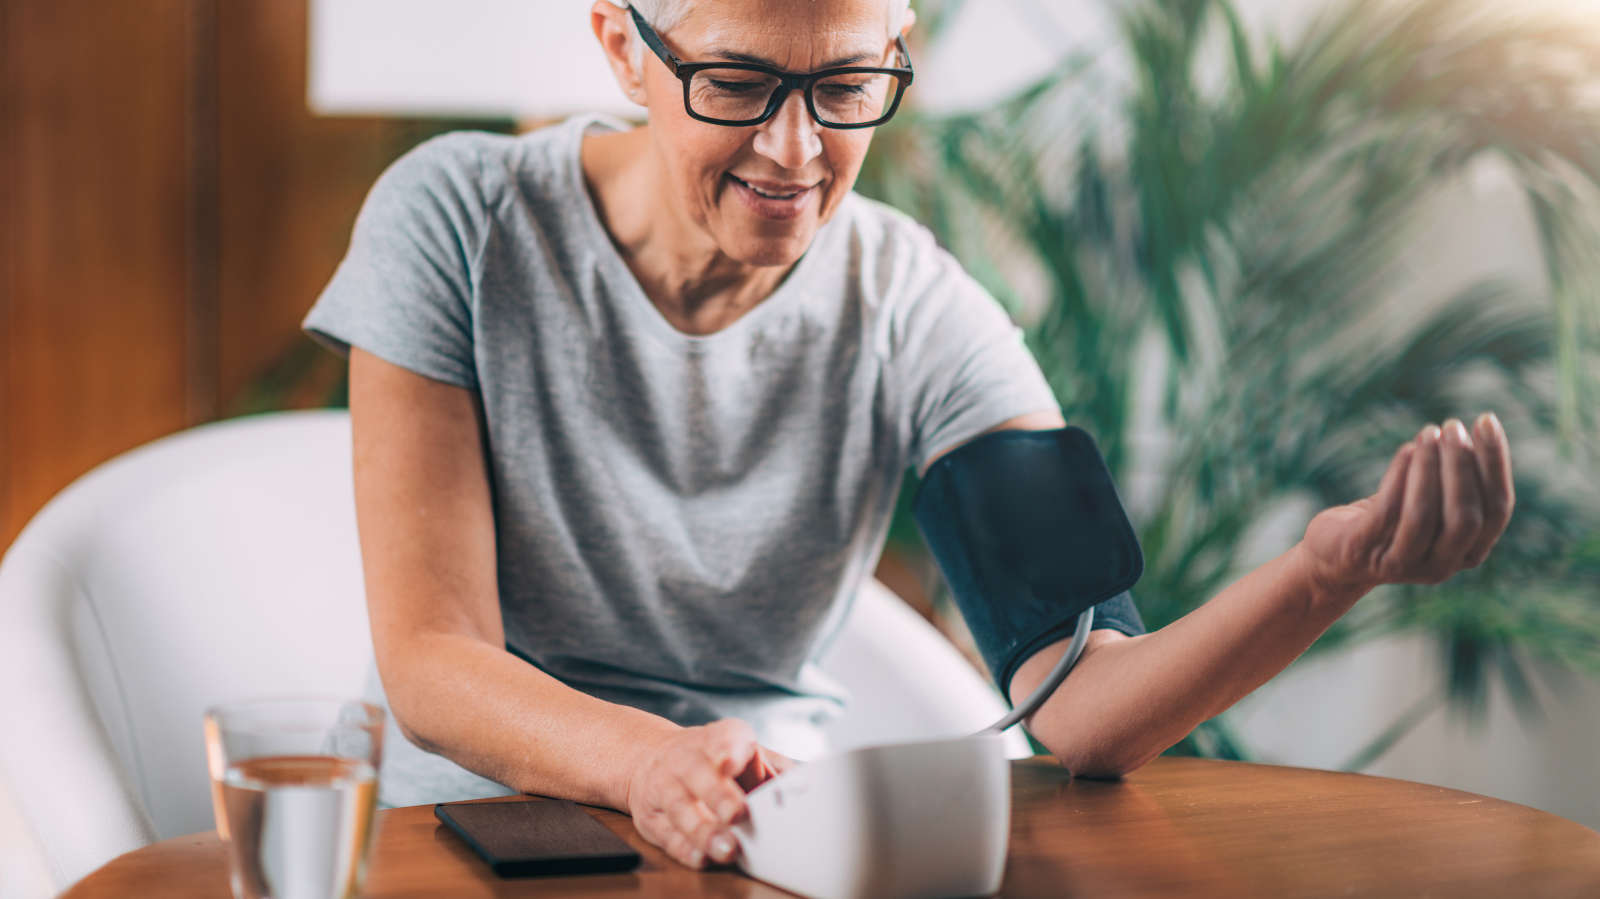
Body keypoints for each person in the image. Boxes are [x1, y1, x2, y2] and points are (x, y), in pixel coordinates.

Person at [303, 0, 1515, 873]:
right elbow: (433, 658)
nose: (796, 153)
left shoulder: (915, 307)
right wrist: (643, 764)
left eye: (844, 88)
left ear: (899, 52)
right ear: (623, 46)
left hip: (763, 847)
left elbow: (1080, 699)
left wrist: (1322, 571)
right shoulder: (456, 220)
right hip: (470, 838)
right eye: (735, 84)